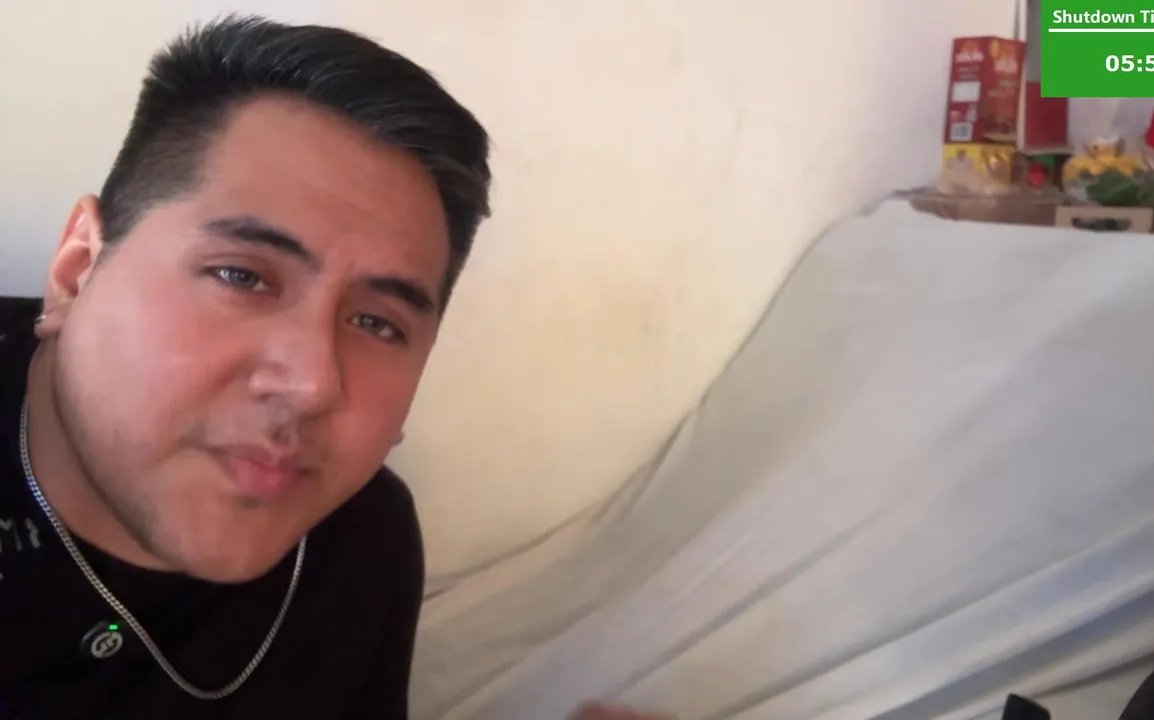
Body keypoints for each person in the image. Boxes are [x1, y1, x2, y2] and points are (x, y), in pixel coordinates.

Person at [0, 14, 668, 720]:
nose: (314, 383)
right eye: (241, 276)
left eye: (378, 324)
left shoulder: (361, 543)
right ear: (77, 270)